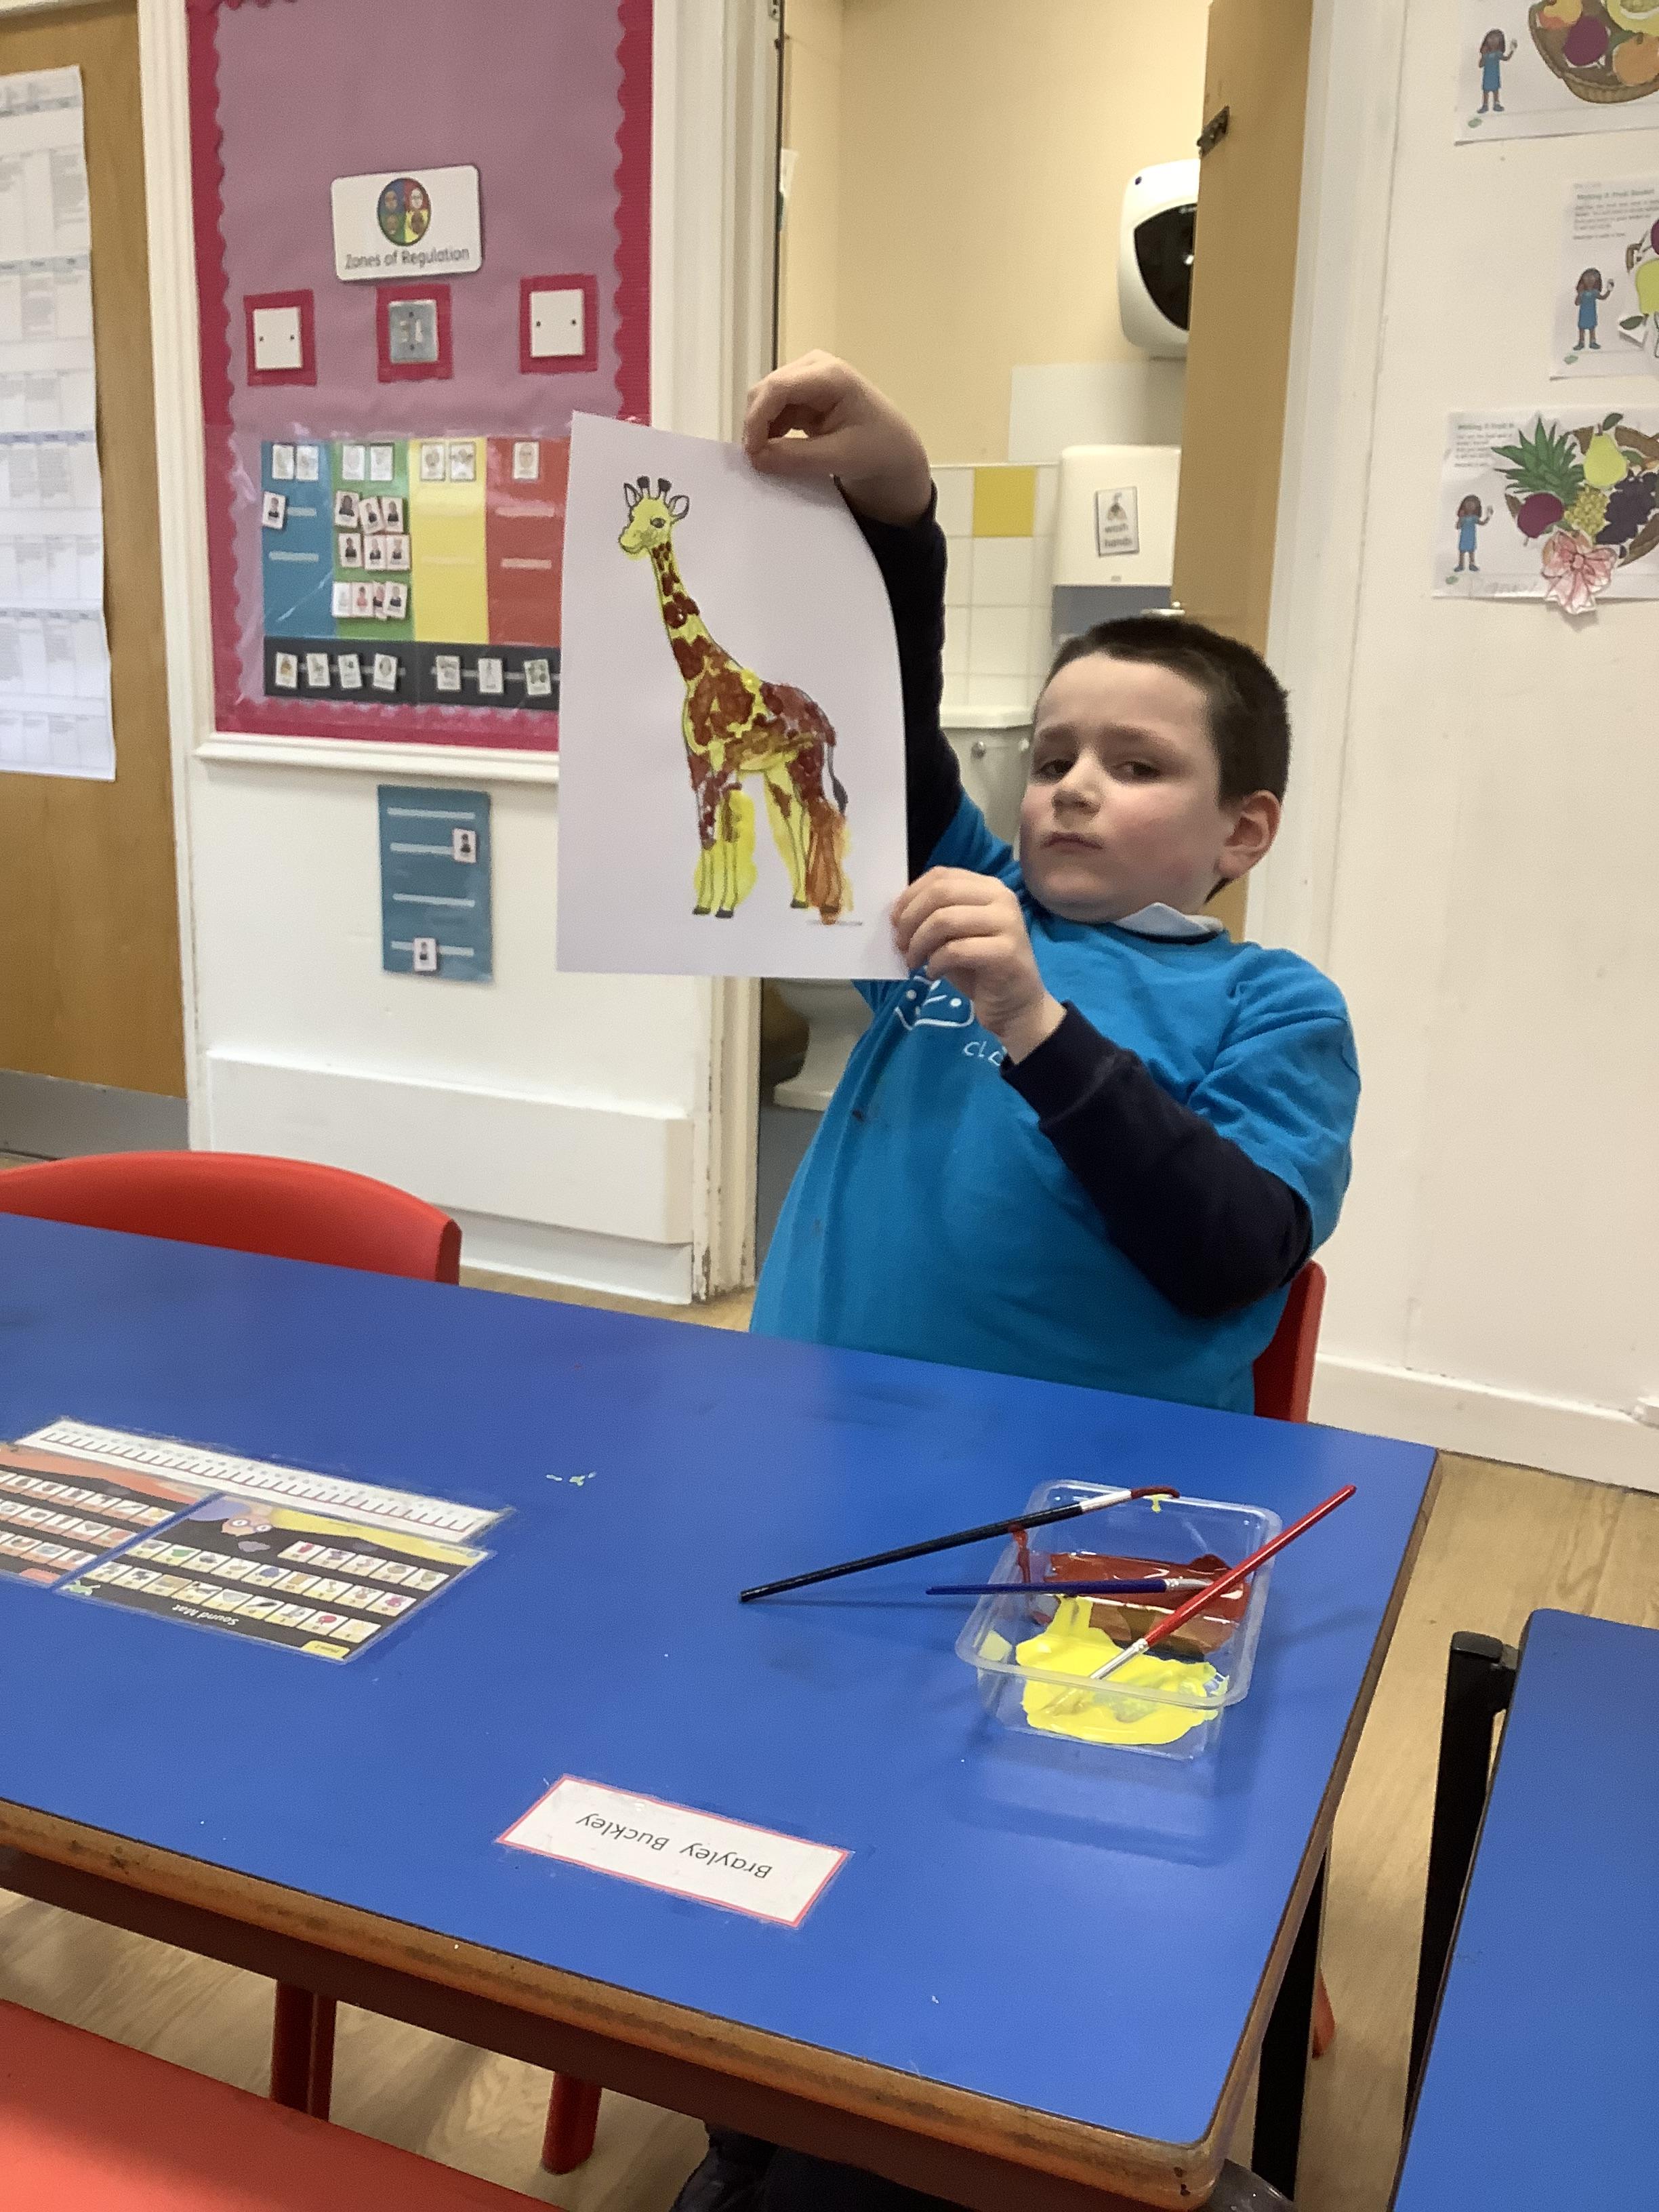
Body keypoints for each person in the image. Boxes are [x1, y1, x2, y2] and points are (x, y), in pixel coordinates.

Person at [671, 355, 1359, 2212]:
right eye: (1051, 755)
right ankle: (775, 2119)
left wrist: (1037, 1021)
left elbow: (1231, 1250)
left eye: (1136, 765)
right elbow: (876, 724)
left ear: (1241, 830)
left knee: (1020, 1878)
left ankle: (975, 2137)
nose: (1070, 789)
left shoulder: (1270, 1004)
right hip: (827, 1478)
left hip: (1084, 1533)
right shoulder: (949, 895)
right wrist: (899, 513)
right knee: (795, 1807)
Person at [1574, 266, 1613, 350]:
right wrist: (1579, 294)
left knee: (1592, 328)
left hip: (1591, 313)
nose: (1589, 280)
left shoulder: (1594, 292)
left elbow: (1603, 297)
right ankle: (1581, 342)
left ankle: (1592, 342)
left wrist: (1609, 290)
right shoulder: (1582, 293)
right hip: (1584, 313)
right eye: (1587, 277)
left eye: (1592, 278)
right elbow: (1577, 303)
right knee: (1582, 328)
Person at [1477, 28, 1515, 112]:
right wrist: (1483, 56)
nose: (1493, 41)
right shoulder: (1486, 54)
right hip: (1487, 75)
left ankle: (1496, 104)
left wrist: (1512, 51)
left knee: (1495, 90)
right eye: (1491, 38)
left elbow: (1506, 58)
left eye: (1496, 38)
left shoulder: (1498, 54)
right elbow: (1480, 65)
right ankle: (1485, 105)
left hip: (1495, 75)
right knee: (1486, 90)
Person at [1454, 492, 1491, 573]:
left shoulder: (1474, 518)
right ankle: (1461, 565)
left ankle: (1472, 564)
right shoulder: (1463, 518)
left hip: (1471, 537)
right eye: (1468, 504)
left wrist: (1488, 517)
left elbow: (1482, 523)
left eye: (1472, 504)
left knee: (1471, 551)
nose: (1470, 506)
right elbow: (1458, 527)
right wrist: (1460, 519)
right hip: (1464, 537)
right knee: (1462, 551)